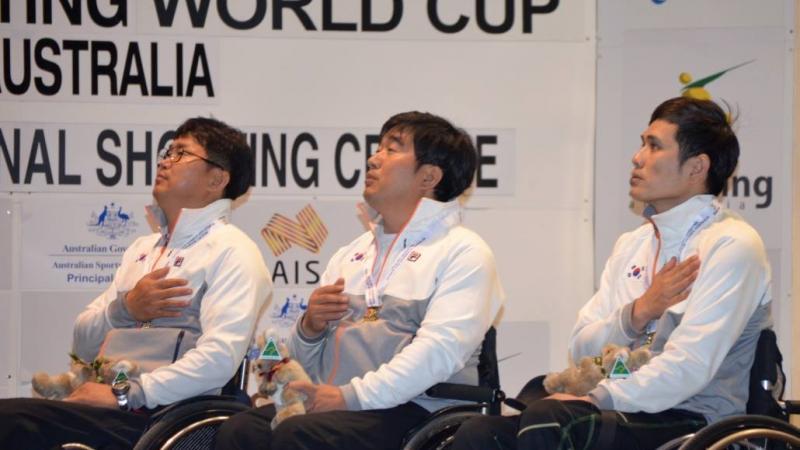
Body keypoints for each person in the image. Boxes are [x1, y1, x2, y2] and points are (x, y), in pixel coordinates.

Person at [452, 97, 773, 450]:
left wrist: (600, 398)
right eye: (641, 143)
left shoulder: (732, 245)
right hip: (619, 408)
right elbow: (581, 346)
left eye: (654, 146)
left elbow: (691, 366)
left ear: (697, 167)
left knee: (552, 421)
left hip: (694, 418)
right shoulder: (632, 245)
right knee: (478, 433)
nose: (637, 157)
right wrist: (638, 312)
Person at [216, 111, 504, 450]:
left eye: (392, 149)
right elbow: (304, 364)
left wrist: (349, 396)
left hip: (416, 410)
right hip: (339, 405)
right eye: (378, 148)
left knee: (300, 434)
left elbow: (437, 354)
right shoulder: (350, 255)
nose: (373, 158)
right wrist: (309, 330)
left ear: (429, 176)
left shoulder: (464, 252)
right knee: (242, 430)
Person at [0, 117, 272, 449]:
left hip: (162, 416)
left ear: (217, 179)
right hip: (112, 406)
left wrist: (128, 394)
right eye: (167, 151)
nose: (164, 161)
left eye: (180, 153)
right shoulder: (141, 250)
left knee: (11, 421)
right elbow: (83, 347)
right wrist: (124, 309)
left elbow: (218, 360)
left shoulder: (233, 251)